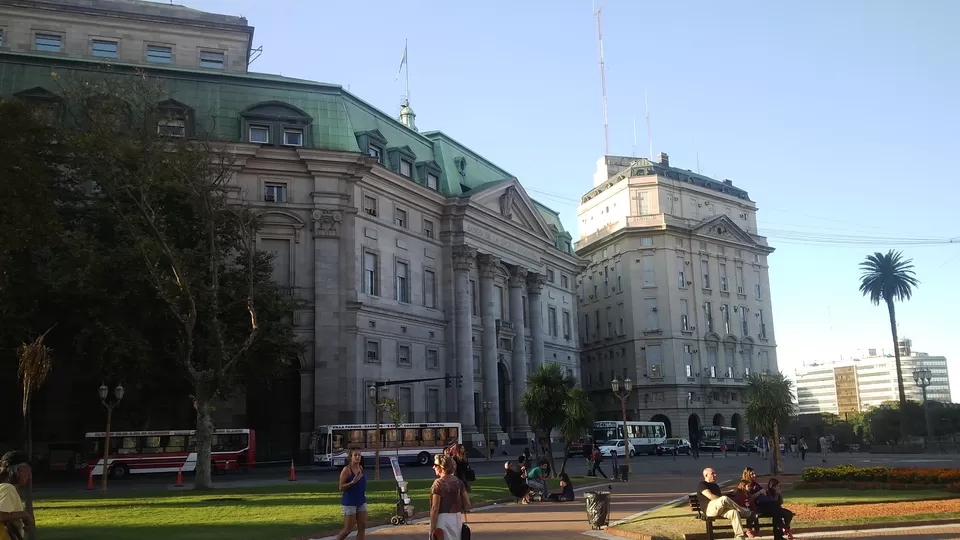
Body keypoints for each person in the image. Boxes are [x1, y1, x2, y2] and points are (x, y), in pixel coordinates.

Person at [697, 468, 752, 540]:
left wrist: (728, 494)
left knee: (734, 512)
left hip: (719, 509)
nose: (715, 475)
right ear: (706, 475)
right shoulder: (702, 484)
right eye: (712, 473)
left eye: (715, 473)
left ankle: (740, 537)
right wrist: (723, 499)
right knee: (724, 499)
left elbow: (719, 498)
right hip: (709, 509)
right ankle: (744, 511)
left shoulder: (715, 486)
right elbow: (711, 496)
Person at [430, 454, 470, 540]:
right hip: (457, 518)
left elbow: (435, 508)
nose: (433, 467)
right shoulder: (458, 482)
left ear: (441, 467)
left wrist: (432, 528)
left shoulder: (438, 483)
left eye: (435, 465)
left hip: (443, 519)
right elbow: (467, 503)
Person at [0, 451, 33, 540]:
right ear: (21, 470)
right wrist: (25, 515)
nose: (29, 476)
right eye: (29, 471)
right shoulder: (8, 488)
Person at [335, 449, 367, 540]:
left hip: (361, 501)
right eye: (355, 455)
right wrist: (352, 483)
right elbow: (341, 487)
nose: (357, 457)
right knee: (348, 529)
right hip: (350, 503)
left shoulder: (360, 468)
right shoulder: (347, 470)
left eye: (359, 455)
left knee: (362, 527)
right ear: (351, 457)